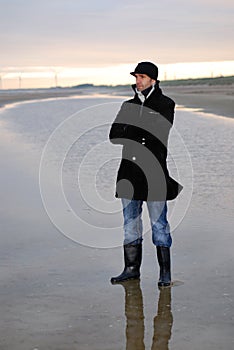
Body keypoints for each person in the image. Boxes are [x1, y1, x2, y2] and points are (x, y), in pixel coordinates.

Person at [109, 61, 182, 287]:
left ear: (153, 79)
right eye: (136, 76)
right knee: (130, 224)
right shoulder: (127, 104)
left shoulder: (166, 104)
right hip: (128, 174)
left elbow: (157, 132)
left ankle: (164, 274)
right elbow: (114, 135)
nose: (137, 80)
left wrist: (131, 126)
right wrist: (138, 127)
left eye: (141, 76)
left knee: (159, 224)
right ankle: (131, 270)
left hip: (155, 175)